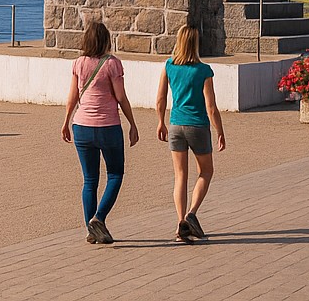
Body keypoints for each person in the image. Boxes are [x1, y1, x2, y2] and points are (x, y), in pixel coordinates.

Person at [60, 20, 140, 245]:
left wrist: (66, 122)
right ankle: (99, 218)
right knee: (115, 174)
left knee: (89, 180)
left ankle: (91, 229)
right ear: (106, 40)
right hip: (108, 127)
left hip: (82, 127)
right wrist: (132, 124)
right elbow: (121, 97)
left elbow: (73, 97)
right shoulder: (113, 64)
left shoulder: (78, 63)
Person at [155, 25, 226, 243]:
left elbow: (160, 99)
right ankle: (191, 213)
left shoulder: (169, 65)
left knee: (180, 176)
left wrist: (161, 122)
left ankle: (180, 224)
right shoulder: (203, 70)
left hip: (176, 124)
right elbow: (211, 106)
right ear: (195, 43)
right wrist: (220, 131)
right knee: (206, 171)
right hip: (197, 126)